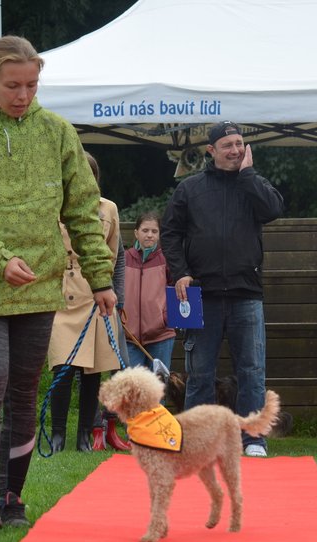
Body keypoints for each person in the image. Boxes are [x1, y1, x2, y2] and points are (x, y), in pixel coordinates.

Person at [0, 35, 115, 530]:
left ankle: (14, 498)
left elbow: (83, 209)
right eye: (14, 85)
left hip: (40, 288)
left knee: (25, 390)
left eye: (32, 84)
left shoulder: (57, 132)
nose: (24, 95)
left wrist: (101, 279)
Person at [160, 121, 284, 458]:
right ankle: (196, 437)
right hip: (202, 294)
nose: (235, 150)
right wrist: (180, 272)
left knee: (252, 370)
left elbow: (274, 209)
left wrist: (248, 176)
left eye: (239, 144)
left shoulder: (254, 184)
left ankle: (252, 437)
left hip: (247, 293)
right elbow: (169, 234)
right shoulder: (190, 189)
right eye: (227, 145)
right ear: (211, 151)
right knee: (200, 372)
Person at [47, 151, 125, 453]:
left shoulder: (109, 209)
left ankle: (84, 435)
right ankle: (57, 435)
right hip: (62, 296)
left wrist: (113, 292)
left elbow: (115, 254)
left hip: (97, 294)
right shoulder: (53, 207)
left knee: (94, 371)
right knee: (63, 368)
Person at [123, 211, 176, 372]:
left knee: (158, 389)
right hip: (129, 337)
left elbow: (176, 290)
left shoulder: (167, 260)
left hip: (161, 335)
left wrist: (165, 318)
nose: (150, 235)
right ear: (136, 233)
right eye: (145, 230)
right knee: (132, 390)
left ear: (160, 235)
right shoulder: (124, 259)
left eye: (154, 231)